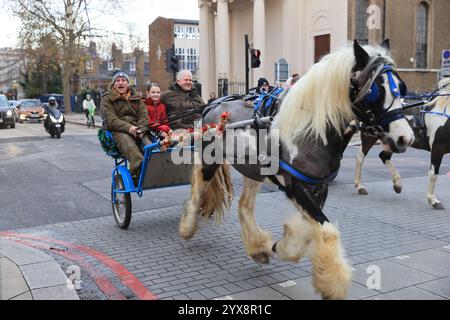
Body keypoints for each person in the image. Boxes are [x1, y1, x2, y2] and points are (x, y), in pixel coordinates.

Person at [101, 70, 150, 180]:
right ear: (114, 85)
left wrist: (140, 130)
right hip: (118, 130)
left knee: (150, 144)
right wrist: (129, 128)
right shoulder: (106, 99)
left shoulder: (136, 98)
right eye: (117, 81)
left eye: (123, 80)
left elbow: (144, 116)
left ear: (128, 84)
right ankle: (138, 166)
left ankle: (154, 165)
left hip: (137, 128)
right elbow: (111, 120)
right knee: (126, 140)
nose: (120, 83)